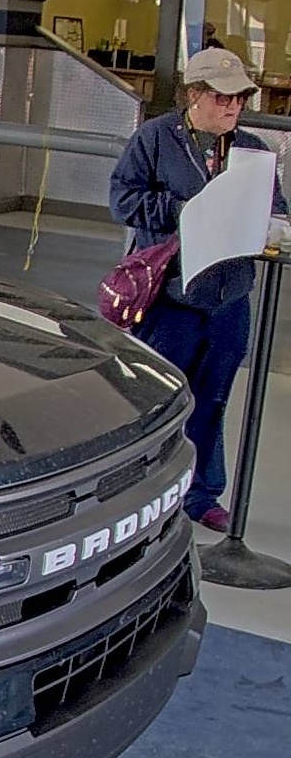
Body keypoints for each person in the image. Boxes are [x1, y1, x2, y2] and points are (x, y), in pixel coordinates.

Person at [109, 45, 290, 533]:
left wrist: (273, 228)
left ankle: (202, 494)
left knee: (214, 398)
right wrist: (186, 208)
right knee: (157, 397)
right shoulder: (154, 139)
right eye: (223, 98)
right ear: (195, 95)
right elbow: (124, 199)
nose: (234, 108)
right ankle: (142, 491)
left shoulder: (251, 149)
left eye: (239, 100)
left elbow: (276, 209)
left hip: (229, 297)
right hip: (171, 298)